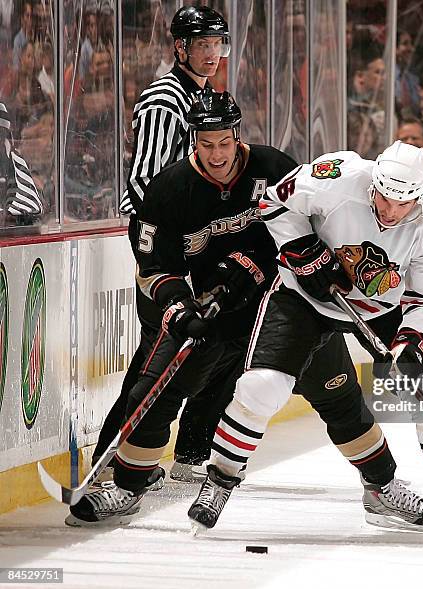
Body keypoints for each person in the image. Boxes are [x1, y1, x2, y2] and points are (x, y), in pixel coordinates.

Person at [66, 92, 423, 537]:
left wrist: (305, 263)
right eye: (206, 144)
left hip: (290, 303)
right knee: (158, 387)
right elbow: (154, 268)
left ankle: (381, 488)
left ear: (236, 135)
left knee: (339, 397)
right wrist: (180, 308)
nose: (217, 153)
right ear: (194, 140)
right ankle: (130, 484)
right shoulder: (170, 189)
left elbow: (306, 220)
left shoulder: (272, 166)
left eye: (224, 142)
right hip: (215, 310)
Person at [191, 141, 423, 546]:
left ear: (419, 196)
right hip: (304, 296)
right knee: (261, 387)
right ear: (375, 182)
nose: (388, 210)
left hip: (381, 308)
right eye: (383, 197)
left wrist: (412, 340)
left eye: (400, 204)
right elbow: (274, 204)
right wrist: (302, 249)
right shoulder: (340, 176)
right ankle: (221, 480)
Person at [92, 5, 231, 480]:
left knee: (219, 341)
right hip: (162, 240)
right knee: (159, 351)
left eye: (218, 44)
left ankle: (189, 449)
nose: (212, 54)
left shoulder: (204, 95)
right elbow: (146, 182)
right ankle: (113, 458)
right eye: (203, 44)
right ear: (180, 47)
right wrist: (174, 245)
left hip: (192, 239)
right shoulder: (164, 99)